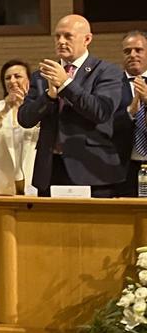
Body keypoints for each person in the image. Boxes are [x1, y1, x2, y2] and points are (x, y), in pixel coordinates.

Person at [18, 15, 124, 198]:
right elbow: (25, 119)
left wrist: (66, 84)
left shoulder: (107, 72)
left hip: (91, 170)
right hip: (50, 169)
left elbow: (101, 111)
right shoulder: (42, 75)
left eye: (68, 36)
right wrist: (49, 96)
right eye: (57, 36)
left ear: (87, 39)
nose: (61, 41)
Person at [0, 60, 38, 195]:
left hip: (31, 178)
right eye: (7, 78)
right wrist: (6, 109)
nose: (12, 81)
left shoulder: (37, 107)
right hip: (2, 180)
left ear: (29, 80)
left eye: (17, 76)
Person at [113, 30, 146, 197]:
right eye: (127, 51)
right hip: (123, 168)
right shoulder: (110, 85)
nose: (132, 55)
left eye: (138, 50)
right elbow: (105, 124)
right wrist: (131, 111)